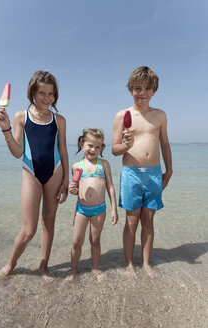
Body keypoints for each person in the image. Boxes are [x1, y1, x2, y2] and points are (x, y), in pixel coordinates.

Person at [0, 70, 69, 281]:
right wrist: (6, 130)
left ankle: (43, 266)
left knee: (49, 222)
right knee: (28, 230)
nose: (46, 98)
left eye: (51, 94)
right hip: (30, 172)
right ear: (32, 93)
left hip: (55, 172)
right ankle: (11, 264)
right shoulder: (21, 116)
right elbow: (18, 152)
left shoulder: (59, 120)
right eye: (42, 93)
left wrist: (66, 180)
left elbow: (63, 150)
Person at [112, 66, 172, 279]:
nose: (141, 93)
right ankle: (129, 264)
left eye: (147, 88)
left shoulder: (160, 115)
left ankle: (146, 263)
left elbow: (164, 144)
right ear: (130, 89)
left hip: (154, 172)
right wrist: (126, 145)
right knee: (131, 220)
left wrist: (169, 170)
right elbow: (114, 150)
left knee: (148, 219)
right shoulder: (122, 115)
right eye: (137, 88)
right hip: (131, 172)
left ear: (154, 91)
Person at [67, 128, 118, 282]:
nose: (93, 149)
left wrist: (114, 209)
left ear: (102, 148)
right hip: (81, 209)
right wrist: (72, 190)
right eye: (90, 145)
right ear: (82, 144)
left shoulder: (104, 164)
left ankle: (95, 268)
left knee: (95, 240)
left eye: (98, 147)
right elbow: (75, 189)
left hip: (99, 210)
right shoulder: (76, 166)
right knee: (76, 241)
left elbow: (110, 186)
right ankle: (73, 270)